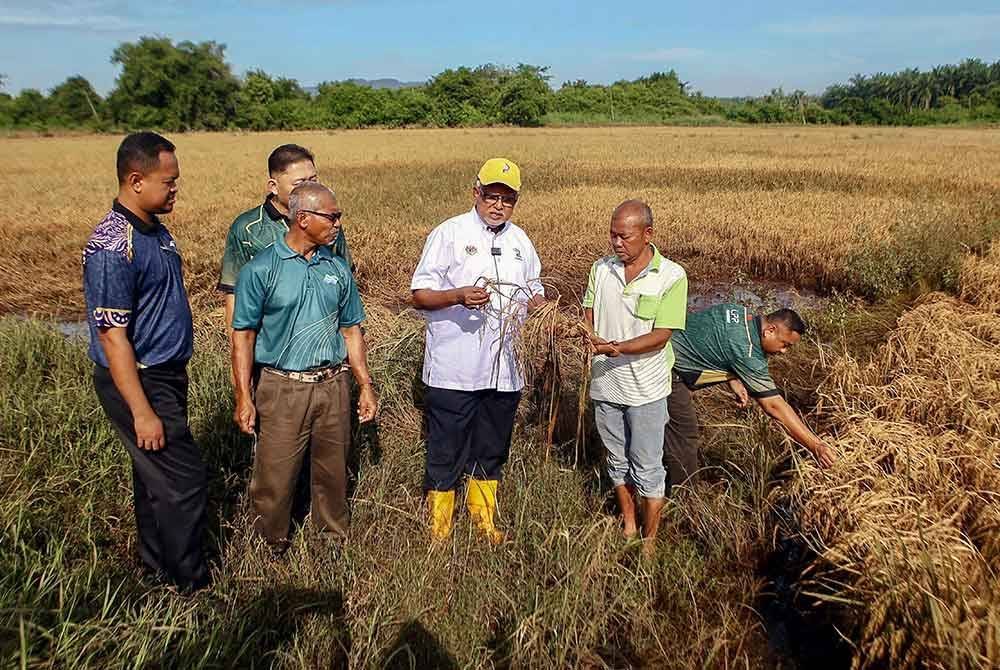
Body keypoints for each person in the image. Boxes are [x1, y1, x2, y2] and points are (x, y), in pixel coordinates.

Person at [82, 132, 208, 591]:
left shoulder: (153, 228)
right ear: (136, 180)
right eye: (168, 182)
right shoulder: (113, 247)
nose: (175, 190)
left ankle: (156, 574)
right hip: (140, 380)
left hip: (166, 375)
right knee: (187, 481)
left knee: (154, 480)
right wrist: (142, 411)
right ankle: (190, 583)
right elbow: (112, 336)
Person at [231, 182, 377, 551]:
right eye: (332, 216)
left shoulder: (337, 268)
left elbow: (351, 331)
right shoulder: (261, 270)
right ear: (303, 219)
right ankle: (270, 544)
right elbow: (243, 337)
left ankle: (332, 543)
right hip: (282, 387)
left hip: (333, 384)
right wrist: (244, 397)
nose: (338, 223)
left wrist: (364, 385)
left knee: (332, 473)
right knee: (275, 474)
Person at [411, 158, 544, 543]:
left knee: (491, 447)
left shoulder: (521, 242)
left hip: (505, 370)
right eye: (491, 195)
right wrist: (457, 296)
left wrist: (544, 309)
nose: (498, 204)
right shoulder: (448, 234)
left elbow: (533, 290)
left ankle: (484, 522)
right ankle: (439, 529)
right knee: (446, 448)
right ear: (476, 193)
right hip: (455, 369)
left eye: (507, 198)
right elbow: (419, 295)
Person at [582, 200, 687, 555]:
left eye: (623, 236)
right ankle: (628, 522)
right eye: (612, 235)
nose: (616, 243)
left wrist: (616, 348)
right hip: (605, 384)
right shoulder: (600, 269)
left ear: (647, 234)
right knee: (616, 459)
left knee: (647, 464)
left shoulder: (672, 276)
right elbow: (588, 312)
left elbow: (662, 335)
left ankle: (650, 539)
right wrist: (588, 335)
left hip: (646, 390)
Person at [665, 305, 836, 489]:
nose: (784, 351)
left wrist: (733, 378)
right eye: (785, 344)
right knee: (685, 436)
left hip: (665, 349)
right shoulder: (747, 352)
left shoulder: (739, 311)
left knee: (664, 429)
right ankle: (684, 495)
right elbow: (774, 406)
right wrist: (815, 446)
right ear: (770, 330)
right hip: (667, 370)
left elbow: (717, 340)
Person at [218, 144, 353, 334]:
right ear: (273, 186)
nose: (309, 189)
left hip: (324, 340)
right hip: (271, 344)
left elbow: (346, 284)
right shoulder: (247, 229)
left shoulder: (327, 221)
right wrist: (238, 356)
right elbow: (234, 295)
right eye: (299, 184)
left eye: (314, 180)